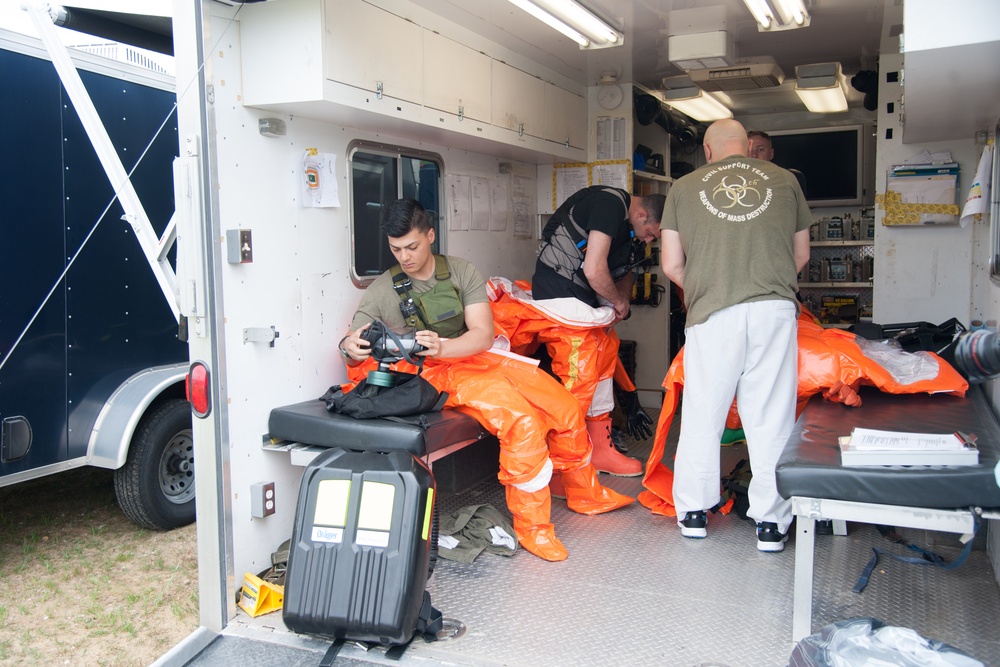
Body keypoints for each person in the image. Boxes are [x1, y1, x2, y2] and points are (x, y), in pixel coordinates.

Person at [338, 198, 633, 562]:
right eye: (396, 249)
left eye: (412, 246)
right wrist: (350, 345)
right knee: (523, 423)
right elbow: (353, 345)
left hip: (469, 356)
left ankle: (584, 492)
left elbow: (481, 334)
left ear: (430, 235)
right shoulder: (384, 289)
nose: (405, 257)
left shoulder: (461, 272)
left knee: (566, 406)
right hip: (430, 375)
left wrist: (443, 346)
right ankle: (534, 529)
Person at [659, 119, 811, 552]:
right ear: (747, 148)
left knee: (704, 413)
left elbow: (671, 265)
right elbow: (801, 254)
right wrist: (764, 283)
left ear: (707, 151)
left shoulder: (684, 188)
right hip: (773, 311)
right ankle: (770, 525)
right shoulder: (785, 181)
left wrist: (709, 284)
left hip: (712, 314)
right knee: (770, 418)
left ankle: (692, 513)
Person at [528, 186, 665, 478]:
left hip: (581, 300)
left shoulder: (628, 226)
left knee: (603, 363)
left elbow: (622, 270)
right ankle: (565, 467)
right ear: (642, 214)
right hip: (559, 295)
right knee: (578, 385)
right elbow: (593, 269)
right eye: (651, 233)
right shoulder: (609, 205)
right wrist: (614, 301)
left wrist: (622, 302)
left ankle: (600, 450)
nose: (650, 240)